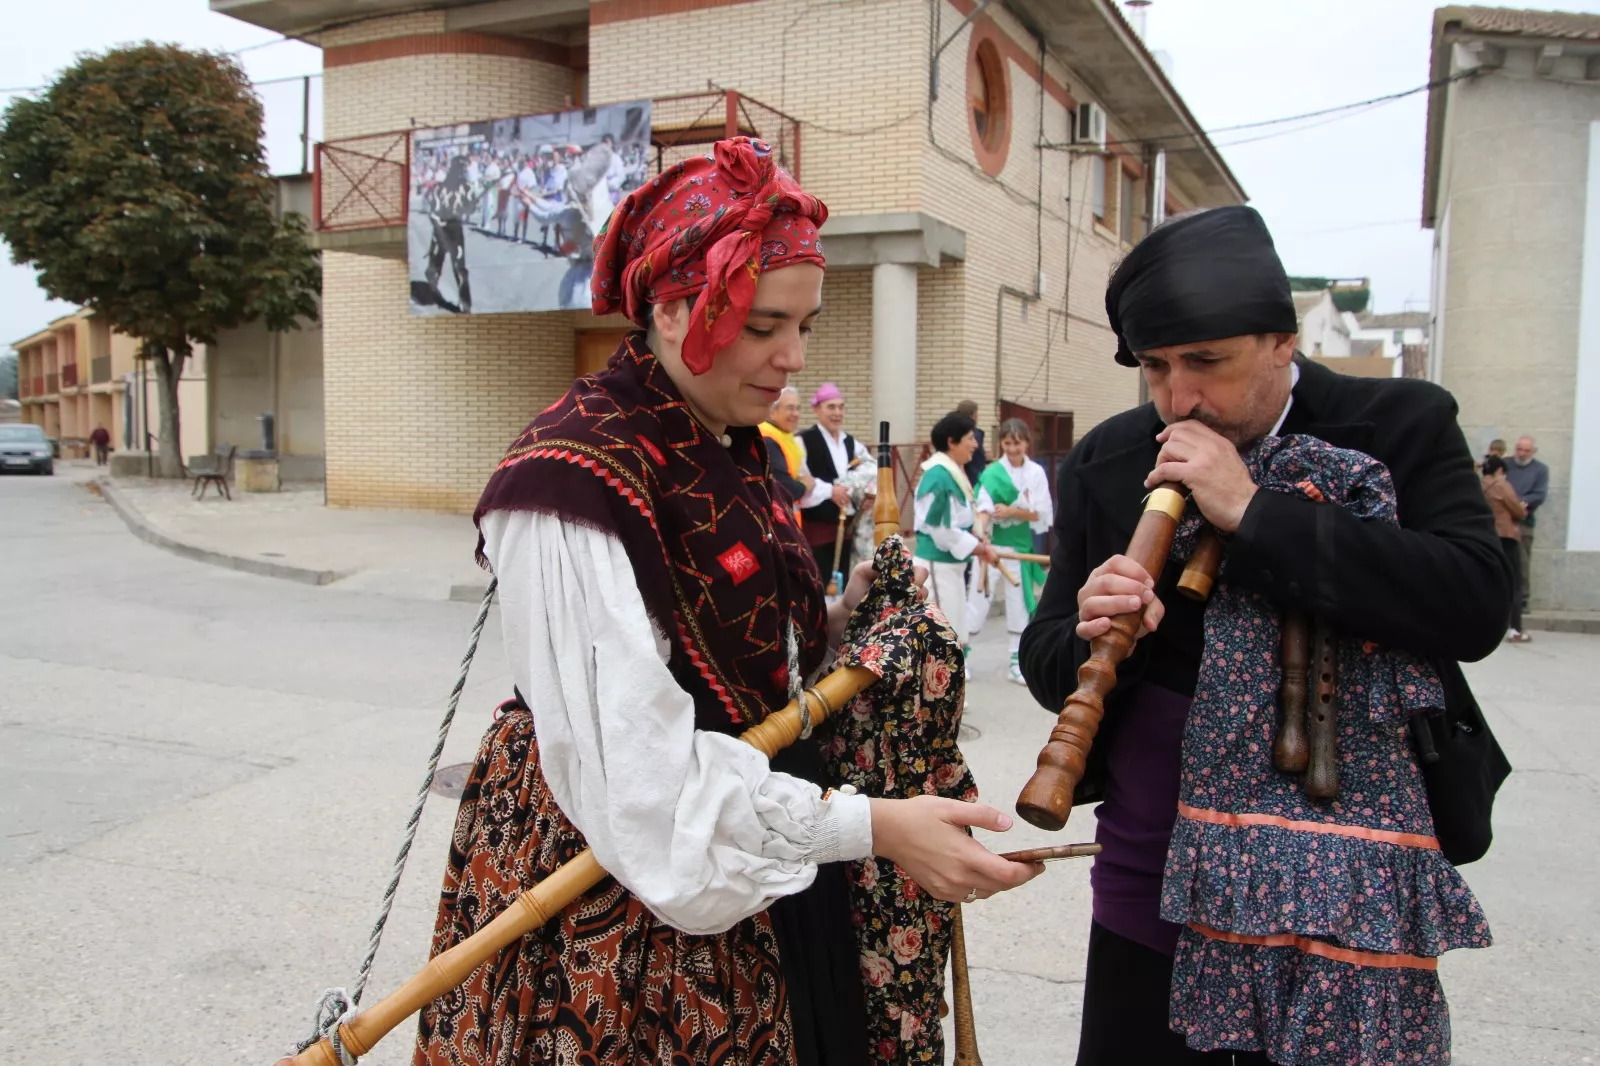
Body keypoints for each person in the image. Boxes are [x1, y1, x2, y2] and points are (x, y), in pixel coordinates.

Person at [420, 137, 1040, 1066]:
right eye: (762, 326)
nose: (792, 357)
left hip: (760, 825)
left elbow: (742, 652)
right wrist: (877, 828)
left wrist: (844, 616)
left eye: (804, 324)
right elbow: (644, 787)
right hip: (624, 876)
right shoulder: (571, 477)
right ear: (673, 309)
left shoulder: (727, 435)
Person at [1019, 206, 1511, 1065]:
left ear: (1284, 342)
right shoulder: (1109, 459)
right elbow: (1047, 661)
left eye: (1206, 362)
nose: (1179, 399)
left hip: (1346, 875)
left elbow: (1474, 604)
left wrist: (1252, 512)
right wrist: (1098, 627)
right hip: (1160, 870)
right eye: (1156, 367)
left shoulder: (1401, 425)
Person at [972, 418, 1053, 685]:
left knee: (1018, 604)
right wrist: (982, 529)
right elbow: (983, 506)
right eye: (1007, 443)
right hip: (992, 547)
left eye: (1017, 443)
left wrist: (1011, 511)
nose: (1012, 449)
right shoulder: (992, 473)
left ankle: (1016, 662)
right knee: (978, 598)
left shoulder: (1036, 473)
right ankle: (961, 656)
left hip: (1019, 548)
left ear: (1027, 443)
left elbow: (1039, 513)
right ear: (1001, 444)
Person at [914, 411, 1001, 656]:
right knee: (942, 635)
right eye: (970, 439)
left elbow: (961, 520)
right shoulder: (938, 476)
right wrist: (978, 548)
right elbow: (941, 530)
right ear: (952, 441)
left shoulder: (952, 473)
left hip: (952, 566)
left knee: (955, 632)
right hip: (936, 567)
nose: (976, 445)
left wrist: (979, 539)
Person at [798, 382, 872, 584]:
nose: (837, 413)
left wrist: (868, 495)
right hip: (818, 530)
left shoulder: (851, 443)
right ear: (816, 409)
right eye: (831, 407)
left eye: (841, 407)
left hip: (848, 530)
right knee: (820, 584)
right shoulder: (804, 441)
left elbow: (871, 469)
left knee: (846, 586)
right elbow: (800, 480)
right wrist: (831, 491)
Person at [1482, 454, 1531, 642]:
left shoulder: (1479, 485)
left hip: (1487, 535)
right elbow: (1518, 510)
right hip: (1506, 536)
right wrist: (1522, 507)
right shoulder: (1501, 485)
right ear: (1500, 470)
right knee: (1514, 583)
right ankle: (1515, 628)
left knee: (1492, 581)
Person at [1505, 435, 1549, 611]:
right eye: (1519, 449)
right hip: (1502, 520)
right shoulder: (1505, 464)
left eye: (1526, 450)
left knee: (1522, 562)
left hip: (1524, 520)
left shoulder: (1540, 470)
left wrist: (1522, 502)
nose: (1522, 454)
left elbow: (1540, 494)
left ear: (1533, 451)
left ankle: (1522, 599)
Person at [760, 386, 814, 523]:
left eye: (798, 408)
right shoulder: (768, 440)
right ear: (773, 411)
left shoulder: (783, 435)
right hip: (774, 522)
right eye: (790, 408)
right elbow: (783, 487)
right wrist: (804, 485)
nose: (796, 414)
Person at [955, 399, 988, 484]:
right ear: (974, 415)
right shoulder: (973, 434)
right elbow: (977, 460)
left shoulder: (954, 431)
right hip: (974, 480)